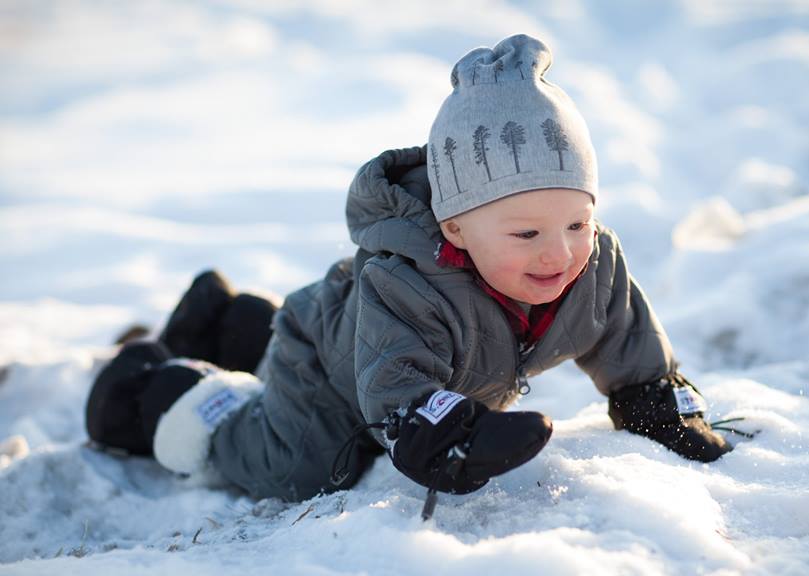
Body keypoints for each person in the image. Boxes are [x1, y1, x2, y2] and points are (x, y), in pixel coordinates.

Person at [85, 34, 732, 515]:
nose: (558, 254)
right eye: (527, 233)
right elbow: (395, 387)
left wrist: (652, 402)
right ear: (455, 229)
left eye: (577, 223)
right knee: (298, 469)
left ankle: (232, 325)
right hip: (328, 371)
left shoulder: (592, 268)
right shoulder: (409, 287)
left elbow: (623, 335)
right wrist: (442, 435)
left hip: (354, 336)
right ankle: (156, 393)